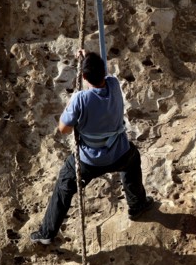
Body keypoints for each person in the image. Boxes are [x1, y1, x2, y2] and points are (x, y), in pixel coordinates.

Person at [31, 50, 153, 245]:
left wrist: (73, 111)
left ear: (84, 76)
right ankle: (137, 206)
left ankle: (47, 233)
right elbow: (101, 73)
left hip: (90, 161)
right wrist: (88, 57)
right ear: (103, 71)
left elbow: (63, 129)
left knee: (64, 185)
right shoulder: (113, 84)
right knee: (133, 160)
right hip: (119, 153)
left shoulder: (80, 99)